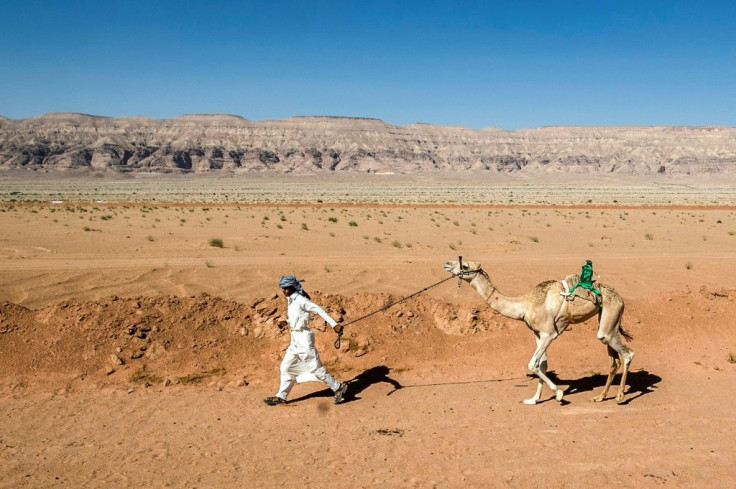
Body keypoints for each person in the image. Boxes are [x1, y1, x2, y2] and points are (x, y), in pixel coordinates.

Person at [263, 275, 349, 406]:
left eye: (286, 288)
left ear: (293, 287)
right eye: (283, 288)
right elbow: (297, 317)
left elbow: (318, 310)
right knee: (286, 367)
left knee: (315, 368)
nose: (284, 291)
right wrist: (286, 322)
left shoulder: (301, 300)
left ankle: (337, 387)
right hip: (294, 339)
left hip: (303, 338)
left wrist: (334, 324)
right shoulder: (290, 300)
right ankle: (281, 396)